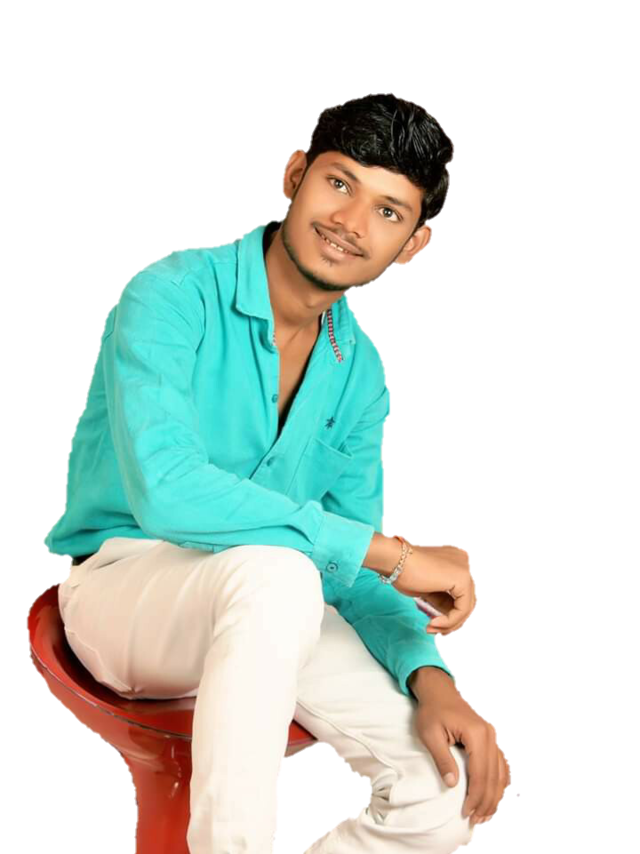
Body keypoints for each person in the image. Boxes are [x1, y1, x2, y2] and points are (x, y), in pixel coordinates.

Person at [47, 92, 510, 853]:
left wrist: (432, 678)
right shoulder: (171, 294)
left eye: (387, 211)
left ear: (413, 244)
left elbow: (349, 570)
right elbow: (168, 490)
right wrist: (393, 554)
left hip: (271, 606)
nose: (351, 222)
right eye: (339, 183)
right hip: (126, 589)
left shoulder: (360, 372)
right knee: (281, 572)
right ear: (295, 175)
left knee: (442, 792)